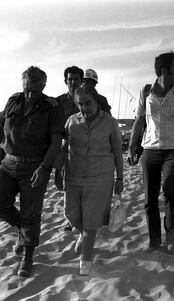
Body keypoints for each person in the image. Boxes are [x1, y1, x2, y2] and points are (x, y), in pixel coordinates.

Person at [0, 66, 65, 278]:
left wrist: (45, 168)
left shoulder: (52, 107)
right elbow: (0, 129)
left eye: (35, 90)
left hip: (35, 166)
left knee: (31, 212)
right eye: (27, 89)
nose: (30, 94)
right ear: (23, 84)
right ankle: (24, 230)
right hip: (8, 163)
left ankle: (28, 255)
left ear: (44, 87)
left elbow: (57, 141)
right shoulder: (14, 100)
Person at [127, 51, 174, 252]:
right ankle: (155, 240)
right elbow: (139, 120)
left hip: (173, 151)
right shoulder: (145, 92)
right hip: (149, 151)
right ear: (164, 70)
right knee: (150, 199)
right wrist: (132, 147)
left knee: (169, 189)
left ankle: (171, 227)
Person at [54, 84, 124, 275]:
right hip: (73, 176)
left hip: (101, 177)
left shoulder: (110, 123)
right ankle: (84, 235)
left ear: (97, 101)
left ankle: (86, 259)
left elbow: (117, 152)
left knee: (92, 218)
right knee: (72, 214)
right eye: (81, 104)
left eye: (88, 103)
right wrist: (57, 171)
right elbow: (63, 149)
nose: (85, 108)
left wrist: (120, 178)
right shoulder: (71, 122)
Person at [54, 66, 84, 231]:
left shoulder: (89, 99)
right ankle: (70, 219)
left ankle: (84, 218)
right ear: (66, 81)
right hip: (66, 148)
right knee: (67, 185)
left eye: (76, 79)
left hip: (87, 149)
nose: (73, 82)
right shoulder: (58, 102)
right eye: (70, 79)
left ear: (81, 80)